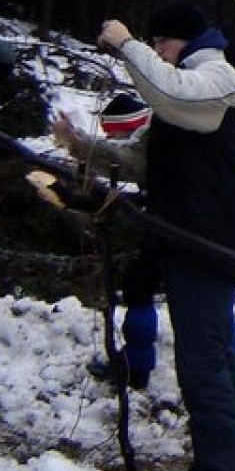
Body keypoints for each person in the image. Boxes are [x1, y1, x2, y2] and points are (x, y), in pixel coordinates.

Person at [98, 0, 235, 471]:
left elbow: (167, 91)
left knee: (204, 363)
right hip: (191, 236)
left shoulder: (213, 76)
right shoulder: (196, 82)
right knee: (210, 357)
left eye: (160, 42)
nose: (157, 51)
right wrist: (91, 153)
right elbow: (156, 156)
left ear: (181, 41)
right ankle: (217, 465)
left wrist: (124, 43)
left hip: (206, 240)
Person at [54, 93, 159, 390]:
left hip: (178, 225)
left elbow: (124, 160)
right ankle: (136, 363)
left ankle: (137, 366)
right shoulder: (165, 126)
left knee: (140, 287)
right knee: (142, 286)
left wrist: (76, 141)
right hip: (178, 221)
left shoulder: (151, 134)